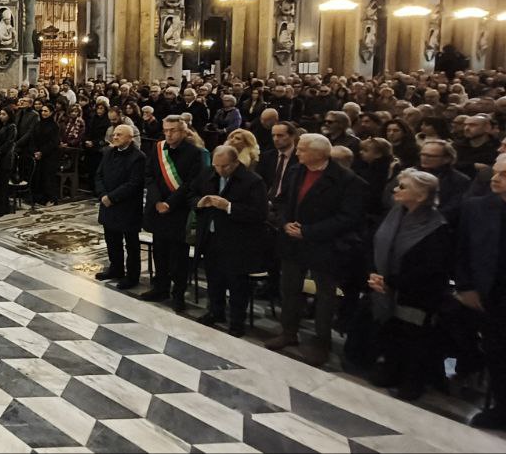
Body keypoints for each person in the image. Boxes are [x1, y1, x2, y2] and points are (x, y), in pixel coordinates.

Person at [268, 133, 364, 366]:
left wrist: (308, 232)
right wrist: (284, 223)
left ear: (318, 154)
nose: (297, 152)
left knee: (325, 296)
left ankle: (322, 343)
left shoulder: (347, 181)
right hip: (292, 241)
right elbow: (281, 202)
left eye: (302, 149)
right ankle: (288, 331)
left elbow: (348, 218)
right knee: (289, 288)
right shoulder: (296, 171)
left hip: (325, 245)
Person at [365, 168, 452, 401]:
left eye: (402, 187)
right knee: (392, 332)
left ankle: (413, 380)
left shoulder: (437, 227)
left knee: (414, 338)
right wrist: (375, 274)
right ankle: (391, 368)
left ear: (421, 196)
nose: (395, 189)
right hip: (386, 287)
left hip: (417, 294)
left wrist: (390, 281)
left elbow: (430, 268)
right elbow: (376, 243)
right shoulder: (395, 214)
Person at [195, 144, 269, 337]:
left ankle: (237, 322)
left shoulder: (253, 181)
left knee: (237, 285)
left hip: (237, 242)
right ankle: (215, 312)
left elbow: (259, 213)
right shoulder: (208, 174)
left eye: (224, 166)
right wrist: (198, 203)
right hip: (211, 237)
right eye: (216, 166)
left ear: (236, 163)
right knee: (214, 280)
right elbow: (192, 192)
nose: (220, 170)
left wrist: (229, 207)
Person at [457, 155, 506, 430]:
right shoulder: (476, 207)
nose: (494, 178)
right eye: (495, 172)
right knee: (496, 352)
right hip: (493, 293)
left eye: (504, 175)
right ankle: (502, 408)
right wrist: (466, 287)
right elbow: (462, 251)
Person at [141, 115, 204, 311]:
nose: (168, 134)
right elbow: (149, 175)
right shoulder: (158, 148)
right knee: (159, 253)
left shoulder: (195, 153)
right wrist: (157, 201)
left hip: (179, 211)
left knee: (178, 258)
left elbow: (191, 183)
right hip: (158, 209)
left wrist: (170, 203)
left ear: (183, 131)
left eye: (173, 130)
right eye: (166, 130)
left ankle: (178, 294)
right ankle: (160, 288)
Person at [95, 124, 146, 290]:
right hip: (107, 204)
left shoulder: (138, 157)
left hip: (127, 206)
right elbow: (99, 175)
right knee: (112, 240)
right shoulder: (108, 152)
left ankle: (132, 276)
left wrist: (112, 197)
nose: (115, 137)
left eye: (119, 135)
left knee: (131, 244)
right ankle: (115, 268)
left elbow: (134, 183)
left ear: (130, 138)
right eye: (114, 134)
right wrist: (103, 195)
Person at [32, 103, 62, 205]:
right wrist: (35, 151)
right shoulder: (38, 124)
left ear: (51, 112)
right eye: (42, 111)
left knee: (48, 177)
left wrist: (42, 152)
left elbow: (53, 142)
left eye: (46, 111)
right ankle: (39, 198)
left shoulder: (54, 126)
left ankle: (51, 198)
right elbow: (33, 138)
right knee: (38, 177)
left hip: (49, 156)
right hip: (38, 154)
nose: (43, 113)